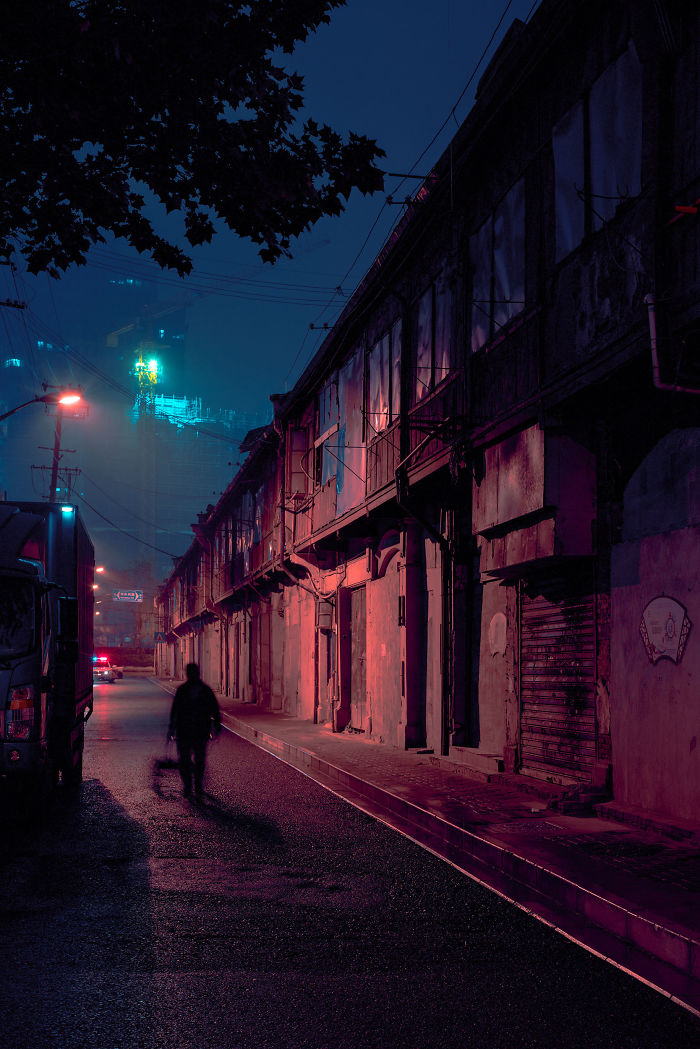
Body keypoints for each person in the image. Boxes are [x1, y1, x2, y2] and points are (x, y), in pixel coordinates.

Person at [168, 662, 221, 797]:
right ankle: (191, 786)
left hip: (193, 730)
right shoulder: (202, 690)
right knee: (191, 759)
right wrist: (217, 726)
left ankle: (194, 786)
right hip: (192, 730)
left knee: (193, 759)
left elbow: (175, 711)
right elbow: (176, 711)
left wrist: (171, 729)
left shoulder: (187, 690)